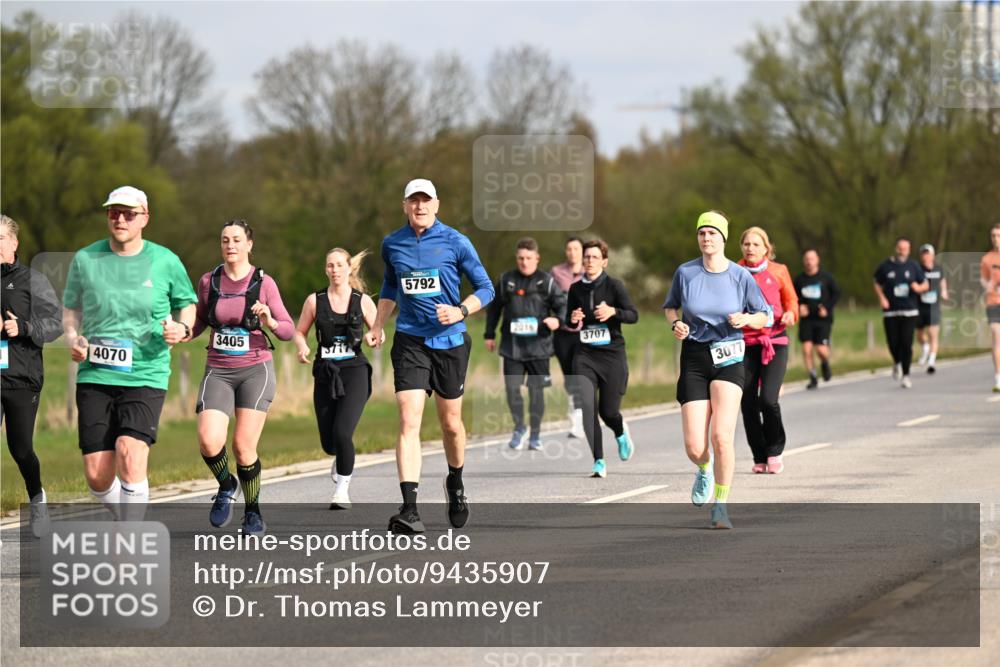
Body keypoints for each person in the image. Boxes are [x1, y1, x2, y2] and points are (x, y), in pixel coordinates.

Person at [367, 178, 494, 534]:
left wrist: (461, 311)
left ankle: (455, 482)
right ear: (404, 205)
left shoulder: (456, 241)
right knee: (409, 419)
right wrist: (378, 323)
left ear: (437, 204)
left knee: (451, 424)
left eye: (426, 200)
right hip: (410, 340)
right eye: (413, 201)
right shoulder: (392, 243)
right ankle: (409, 509)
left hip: (451, 341)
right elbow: (391, 286)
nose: (420, 207)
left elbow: (487, 288)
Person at [62, 186, 197, 520]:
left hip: (146, 372)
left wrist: (182, 329)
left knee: (130, 452)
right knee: (97, 476)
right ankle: (126, 514)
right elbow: (71, 311)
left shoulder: (165, 260)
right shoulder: (85, 259)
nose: (120, 219)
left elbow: (187, 304)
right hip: (96, 373)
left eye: (128, 213)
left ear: (144, 218)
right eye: (113, 212)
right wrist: (72, 338)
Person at [663, 211, 770, 529]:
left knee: (722, 436)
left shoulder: (740, 276)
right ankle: (704, 468)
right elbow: (671, 307)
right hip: (695, 357)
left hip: (730, 357)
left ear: (723, 238)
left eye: (712, 233)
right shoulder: (686, 273)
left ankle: (721, 505)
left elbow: (764, 314)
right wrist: (677, 324)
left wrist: (747, 320)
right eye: (702, 233)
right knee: (695, 445)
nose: (706, 238)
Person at [191, 220, 294, 534]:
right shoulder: (209, 281)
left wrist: (270, 321)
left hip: (255, 369)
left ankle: (253, 511)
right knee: (209, 441)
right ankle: (226, 485)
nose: (230, 245)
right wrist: (178, 331)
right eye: (225, 240)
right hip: (218, 369)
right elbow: (196, 323)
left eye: (236, 239)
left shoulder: (264, 283)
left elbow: (288, 330)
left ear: (249, 244)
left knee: (242, 446)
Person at [294, 248, 378, 510]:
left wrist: (373, 337)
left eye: (339, 265)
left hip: (355, 372)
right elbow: (299, 332)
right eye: (330, 266)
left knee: (343, 432)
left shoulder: (362, 301)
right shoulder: (314, 301)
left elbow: (378, 331)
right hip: (325, 373)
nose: (335, 270)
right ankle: (339, 455)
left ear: (349, 268)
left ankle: (342, 490)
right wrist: (302, 346)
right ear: (325, 269)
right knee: (329, 443)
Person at [1, 215, 62, 536]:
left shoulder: (31, 280)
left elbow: (55, 325)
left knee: (20, 448)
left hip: (21, 376)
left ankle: (37, 496)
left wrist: (22, 327)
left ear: (14, 243)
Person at [485, 237, 566, 451]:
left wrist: (557, 320)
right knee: (512, 390)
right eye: (520, 258)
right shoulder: (506, 280)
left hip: (539, 347)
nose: (524, 262)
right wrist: (489, 334)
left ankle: (536, 435)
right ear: (516, 258)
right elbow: (494, 309)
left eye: (528, 258)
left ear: (537, 258)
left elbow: (562, 305)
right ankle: (520, 427)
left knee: (536, 392)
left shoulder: (546, 281)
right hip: (512, 347)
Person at [565, 239, 638, 478]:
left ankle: (619, 431)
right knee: (588, 408)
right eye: (586, 257)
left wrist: (613, 312)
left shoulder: (615, 286)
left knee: (608, 412)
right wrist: (574, 318)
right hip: (585, 355)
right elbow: (569, 320)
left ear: (604, 261)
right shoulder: (576, 289)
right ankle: (598, 460)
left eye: (595, 257)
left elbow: (633, 315)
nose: (589, 261)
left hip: (612, 355)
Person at [737, 227, 798, 474]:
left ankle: (775, 450)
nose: (750, 248)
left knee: (768, 400)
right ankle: (759, 456)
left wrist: (792, 312)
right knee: (748, 402)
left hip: (775, 342)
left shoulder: (779, 271)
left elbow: (791, 300)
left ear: (766, 248)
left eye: (755, 244)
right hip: (745, 344)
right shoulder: (735, 272)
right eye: (746, 244)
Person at [873, 238, 929, 389]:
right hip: (890, 311)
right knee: (893, 342)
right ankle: (896, 362)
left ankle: (906, 374)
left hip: (909, 310)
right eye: (900, 248)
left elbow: (925, 284)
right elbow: (876, 282)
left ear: (909, 250)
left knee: (906, 342)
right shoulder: (886, 266)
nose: (902, 251)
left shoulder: (913, 266)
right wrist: (882, 298)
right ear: (896, 249)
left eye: (905, 248)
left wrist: (918, 288)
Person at [550, 237, 586, 438]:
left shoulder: (590, 271)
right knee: (569, 376)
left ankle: (579, 420)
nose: (572, 252)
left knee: (580, 373)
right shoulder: (556, 273)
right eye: (569, 248)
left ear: (582, 251)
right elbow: (549, 299)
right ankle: (574, 416)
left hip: (584, 332)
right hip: (563, 333)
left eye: (576, 248)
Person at [793, 249, 840, 389]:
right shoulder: (799, 280)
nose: (809, 262)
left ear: (817, 260)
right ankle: (812, 376)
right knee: (806, 349)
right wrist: (799, 307)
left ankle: (825, 363)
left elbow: (836, 293)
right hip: (807, 319)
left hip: (822, 319)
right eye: (807, 259)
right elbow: (792, 298)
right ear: (804, 261)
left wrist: (827, 307)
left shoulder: (826, 278)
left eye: (812, 259)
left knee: (821, 350)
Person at [916, 244, 948, 374]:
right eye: (924, 254)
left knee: (933, 332)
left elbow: (943, 281)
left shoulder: (938, 269)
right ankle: (925, 347)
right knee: (920, 333)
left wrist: (945, 291)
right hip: (920, 306)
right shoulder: (917, 269)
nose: (926, 256)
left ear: (933, 255)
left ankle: (931, 361)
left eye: (928, 253)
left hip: (934, 306)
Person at [982, 223, 1000, 393]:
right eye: (993, 235)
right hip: (993, 303)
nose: (996, 239)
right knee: (996, 336)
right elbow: (983, 280)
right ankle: (998, 378)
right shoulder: (987, 259)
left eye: (998, 235)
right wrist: (987, 285)